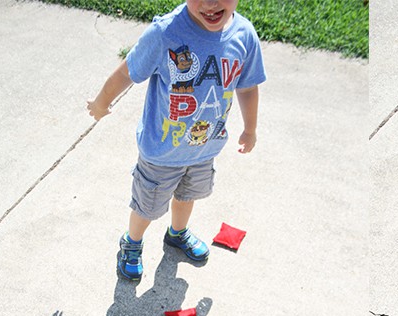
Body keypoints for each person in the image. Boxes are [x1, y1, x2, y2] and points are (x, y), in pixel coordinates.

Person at [87, 0, 266, 280]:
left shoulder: (244, 35)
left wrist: (250, 128)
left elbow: (247, 86)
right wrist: (101, 102)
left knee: (187, 196)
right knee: (147, 206)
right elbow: (127, 71)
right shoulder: (165, 33)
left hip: (205, 148)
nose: (211, 3)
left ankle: (177, 233)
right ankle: (132, 242)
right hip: (162, 151)